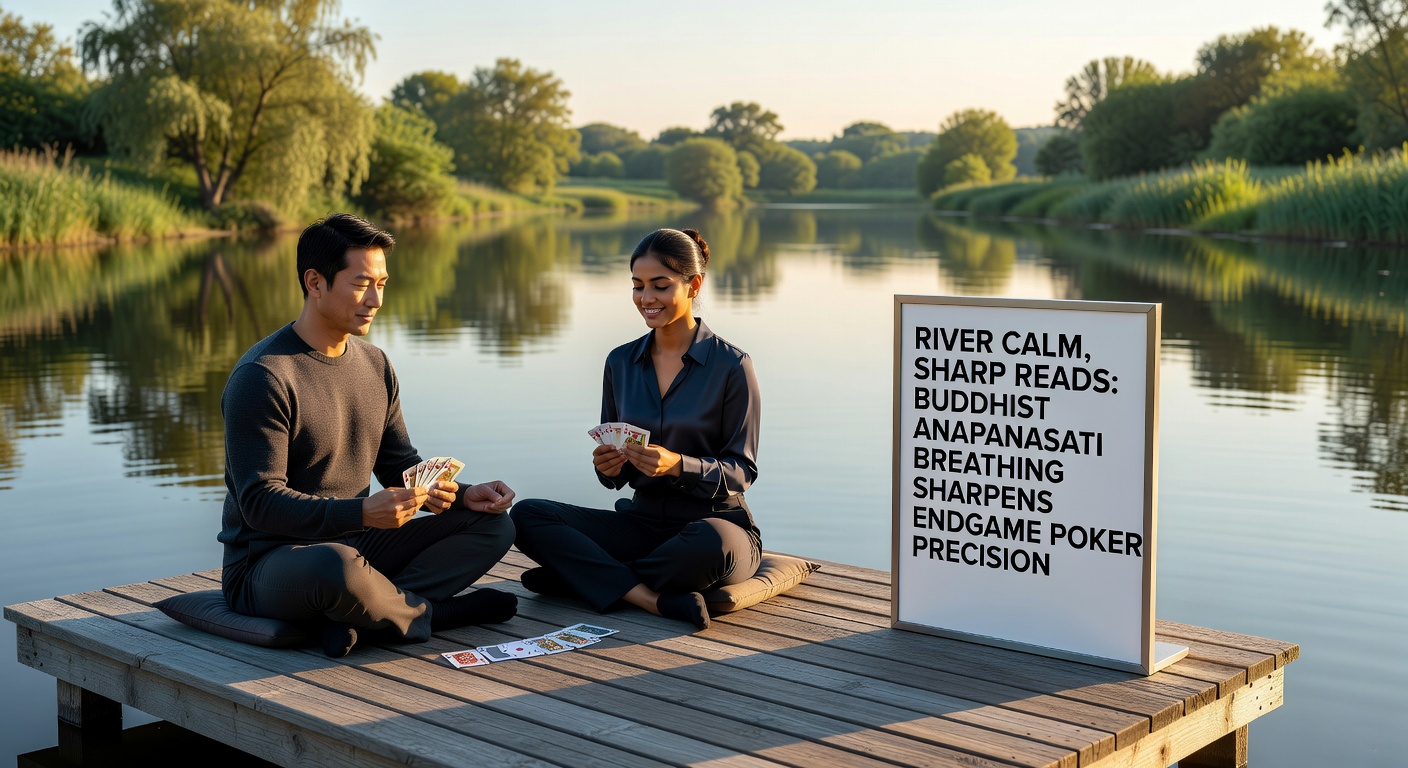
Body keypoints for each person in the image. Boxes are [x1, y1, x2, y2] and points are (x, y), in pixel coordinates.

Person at [218, 213, 518, 658]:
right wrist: (361, 512)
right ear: (315, 282)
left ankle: (367, 615)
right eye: (362, 284)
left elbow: (399, 465)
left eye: (382, 283)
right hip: (270, 564)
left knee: (494, 526)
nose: (376, 299)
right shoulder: (263, 376)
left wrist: (463, 494)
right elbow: (260, 503)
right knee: (335, 566)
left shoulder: (374, 363)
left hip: (359, 546)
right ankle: (432, 613)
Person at [511, 228, 762, 631]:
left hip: (715, 525)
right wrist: (608, 467)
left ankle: (586, 577)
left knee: (710, 544)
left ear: (693, 284)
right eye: (638, 286)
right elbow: (615, 474)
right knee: (527, 515)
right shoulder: (620, 362)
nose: (646, 299)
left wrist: (679, 464)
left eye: (660, 286)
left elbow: (741, 472)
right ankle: (648, 597)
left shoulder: (732, 366)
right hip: (641, 525)